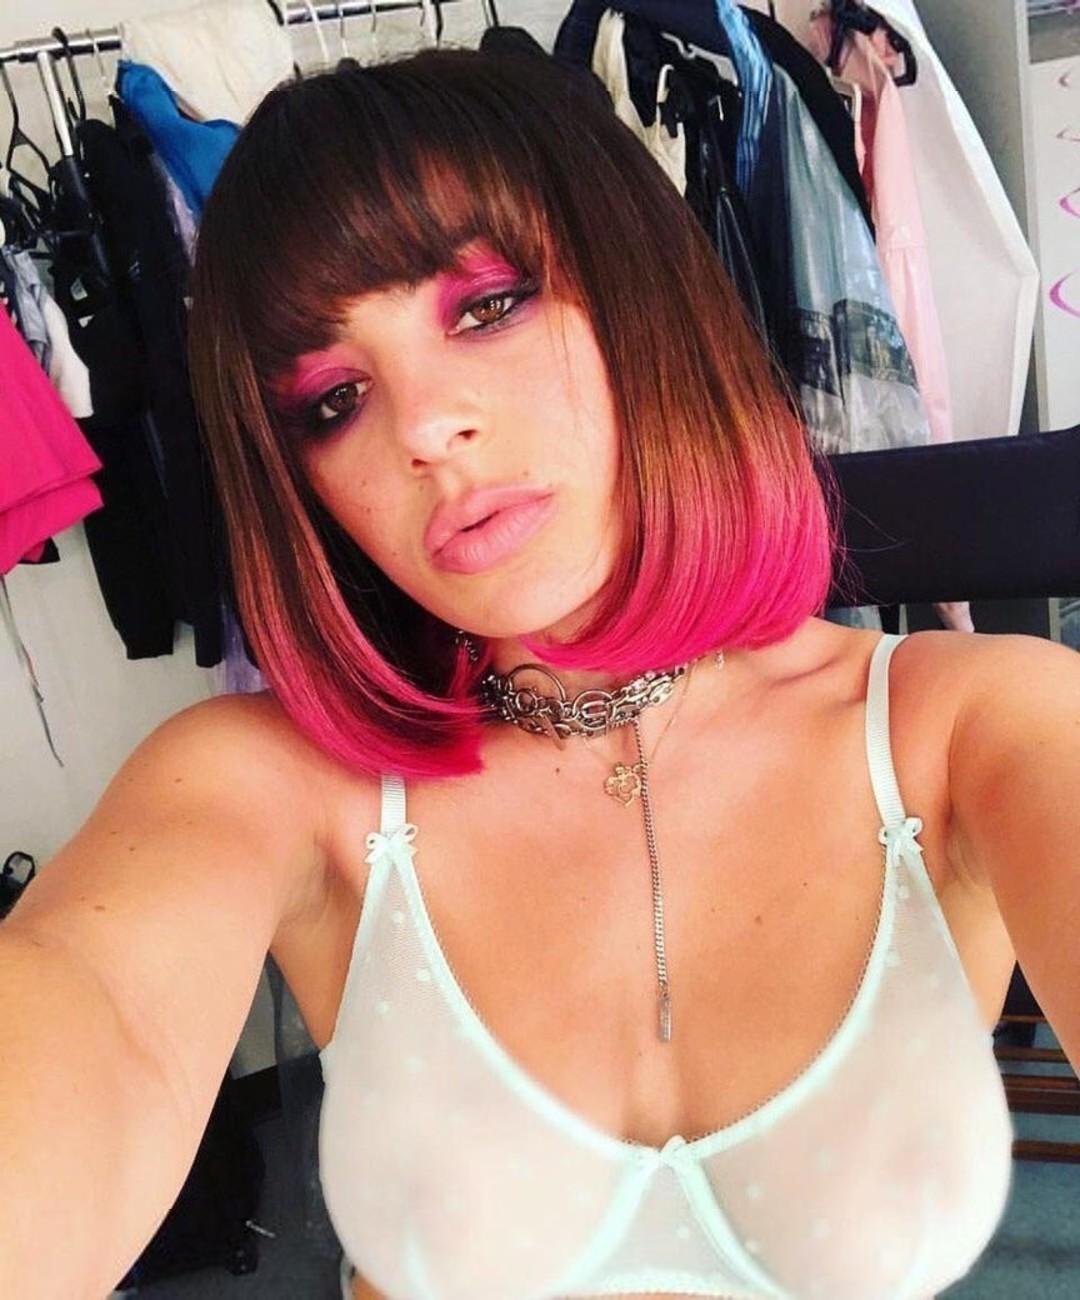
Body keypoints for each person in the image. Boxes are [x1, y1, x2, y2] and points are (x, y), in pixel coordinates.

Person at [3, 43, 1078, 1300]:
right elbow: (89, 1014)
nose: (424, 428)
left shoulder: (975, 729)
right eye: (334, 399)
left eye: (488, 307)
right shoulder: (269, 786)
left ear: (641, 298)